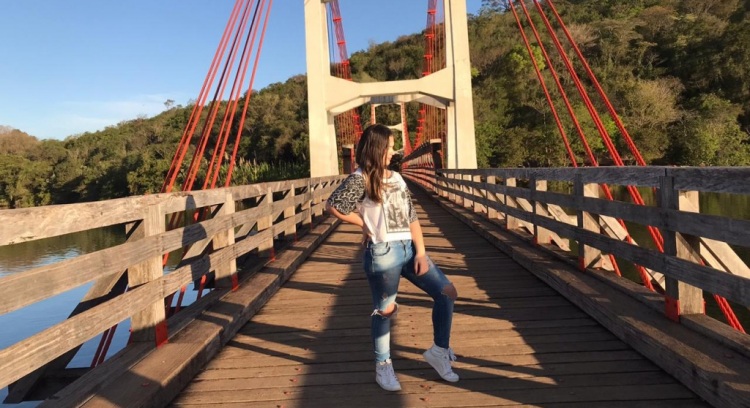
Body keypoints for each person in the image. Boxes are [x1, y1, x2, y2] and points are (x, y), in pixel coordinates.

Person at [325, 123, 459, 392]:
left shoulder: (396, 177)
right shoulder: (360, 179)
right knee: (385, 311)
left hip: (409, 248)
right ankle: (383, 366)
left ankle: (439, 351)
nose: (393, 152)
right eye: (388, 147)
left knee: (447, 292)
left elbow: (411, 215)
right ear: (376, 148)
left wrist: (421, 252)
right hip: (383, 252)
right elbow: (334, 205)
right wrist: (364, 224)